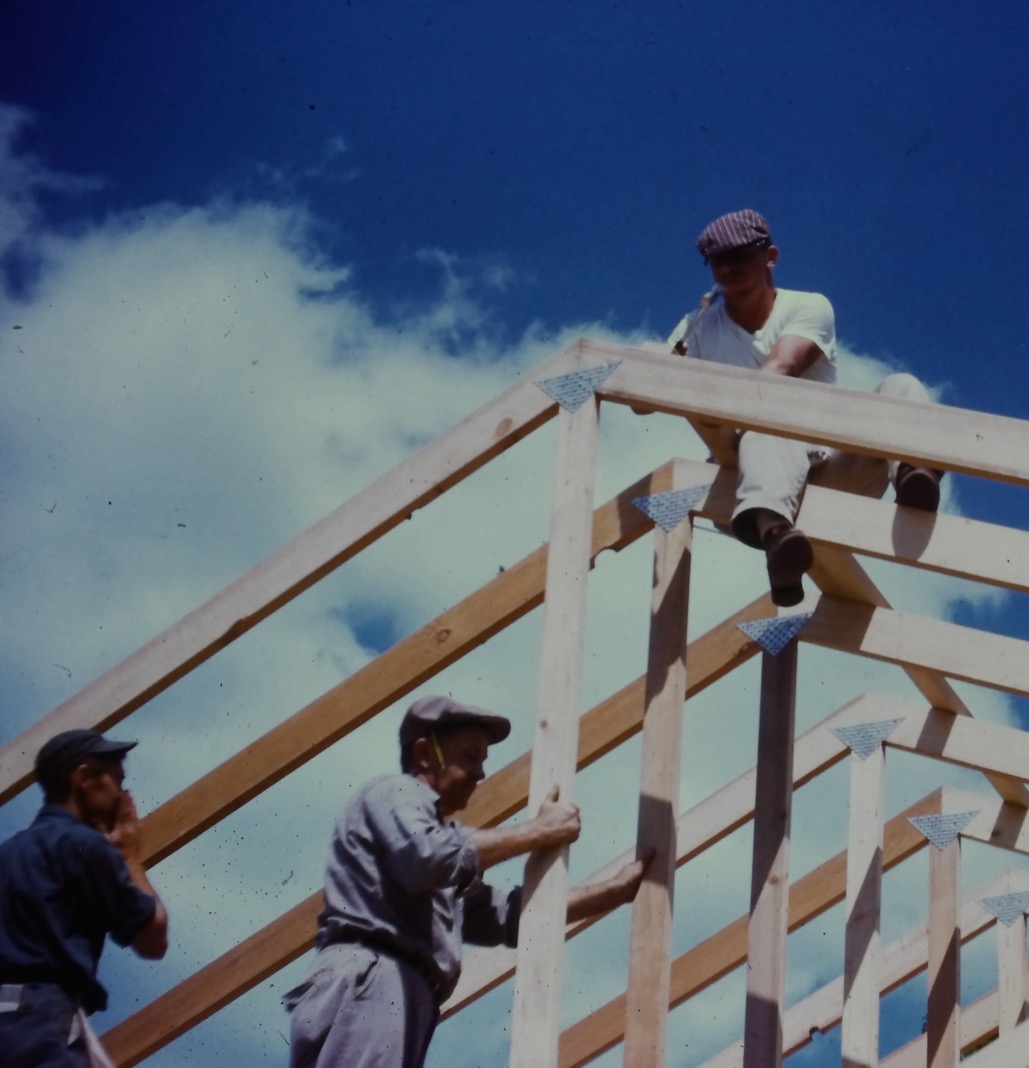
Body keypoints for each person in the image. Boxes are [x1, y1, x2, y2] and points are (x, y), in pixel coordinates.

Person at [284, 695, 647, 1068]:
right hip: (372, 978)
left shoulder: (440, 855)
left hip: (400, 991)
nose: (480, 773)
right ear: (425, 754)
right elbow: (427, 855)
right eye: (471, 756)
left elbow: (504, 915)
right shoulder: (394, 793)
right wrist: (536, 831)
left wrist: (611, 892)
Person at [666, 209, 942, 606]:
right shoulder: (696, 326)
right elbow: (644, 402)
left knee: (901, 386)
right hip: (750, 486)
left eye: (740, 256)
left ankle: (915, 477)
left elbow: (782, 367)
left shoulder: (808, 307)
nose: (729, 269)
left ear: (770, 257)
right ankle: (778, 541)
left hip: (829, 470)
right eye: (718, 261)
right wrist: (671, 363)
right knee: (766, 423)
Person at [0, 729, 169, 1068]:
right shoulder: (85, 847)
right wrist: (130, 856)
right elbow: (153, 940)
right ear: (84, 778)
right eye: (118, 782)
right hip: (41, 1019)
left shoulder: (8, 853)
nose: (124, 796)